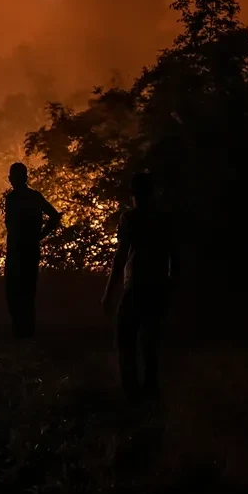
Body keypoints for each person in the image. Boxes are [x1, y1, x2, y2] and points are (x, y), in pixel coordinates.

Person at [102, 171, 173, 401]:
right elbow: (175, 256)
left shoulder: (130, 218)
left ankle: (131, 392)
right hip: (158, 284)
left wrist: (109, 292)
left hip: (136, 284)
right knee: (150, 340)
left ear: (134, 195)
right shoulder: (164, 219)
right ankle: (151, 391)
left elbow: (120, 257)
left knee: (125, 338)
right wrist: (172, 285)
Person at [2, 162, 60, 338]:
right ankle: (24, 332)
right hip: (25, 250)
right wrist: (40, 235)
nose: (14, 180)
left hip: (20, 251)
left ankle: (22, 332)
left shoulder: (15, 198)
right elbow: (54, 216)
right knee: (24, 293)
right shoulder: (30, 197)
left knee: (19, 293)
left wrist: (40, 236)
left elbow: (54, 216)